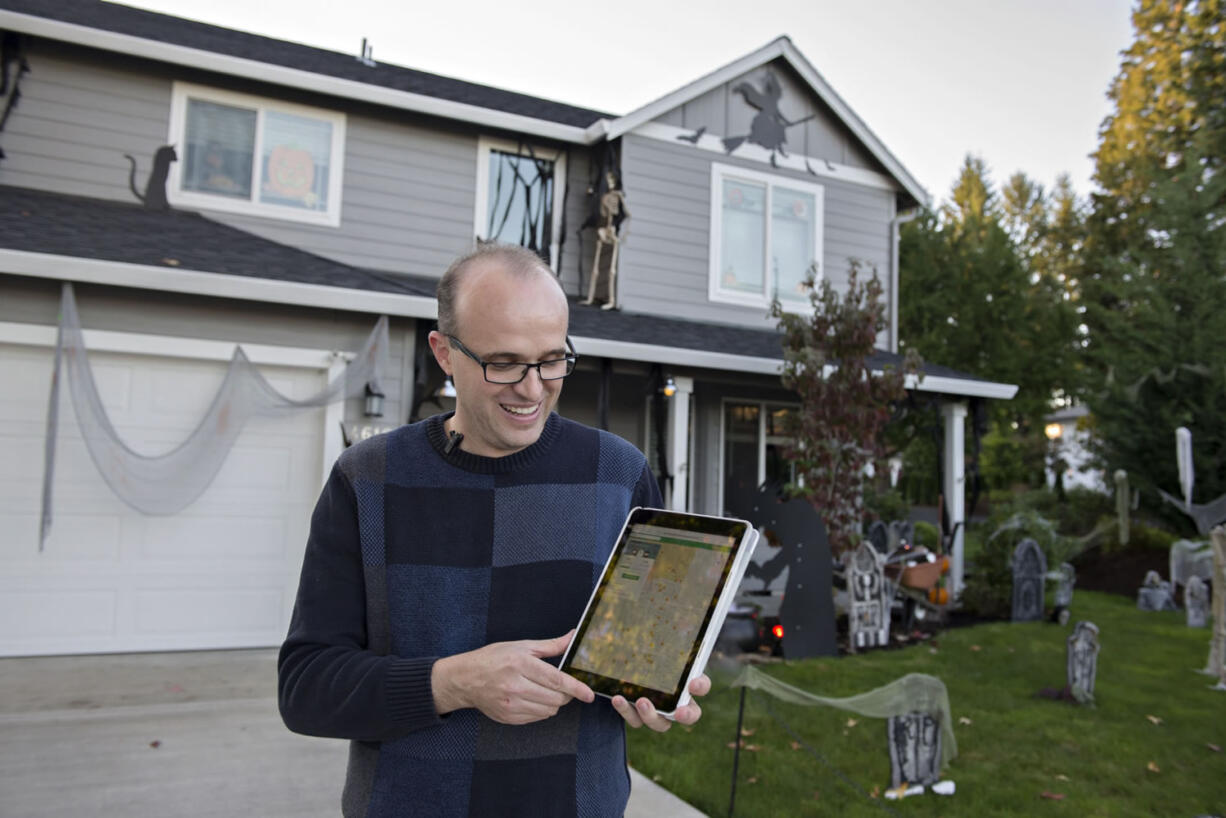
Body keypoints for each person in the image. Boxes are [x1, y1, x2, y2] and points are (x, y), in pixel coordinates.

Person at [278, 243, 708, 818]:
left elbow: (647, 648)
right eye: (503, 362)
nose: (532, 389)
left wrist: (653, 682)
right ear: (444, 353)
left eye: (552, 359)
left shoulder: (619, 473)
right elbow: (306, 689)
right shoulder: (367, 479)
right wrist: (452, 682)